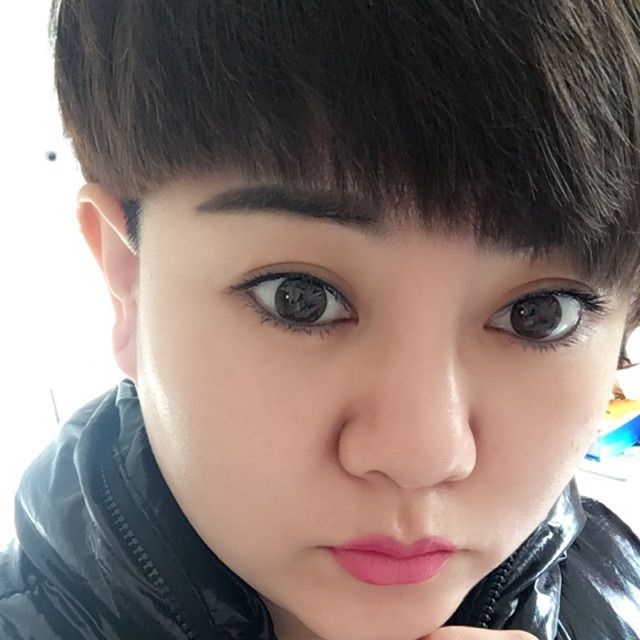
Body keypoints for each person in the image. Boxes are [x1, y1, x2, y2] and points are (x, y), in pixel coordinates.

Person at [2, 1, 640, 638]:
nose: (421, 456)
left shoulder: (620, 586)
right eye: (299, 299)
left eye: (538, 316)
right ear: (129, 282)